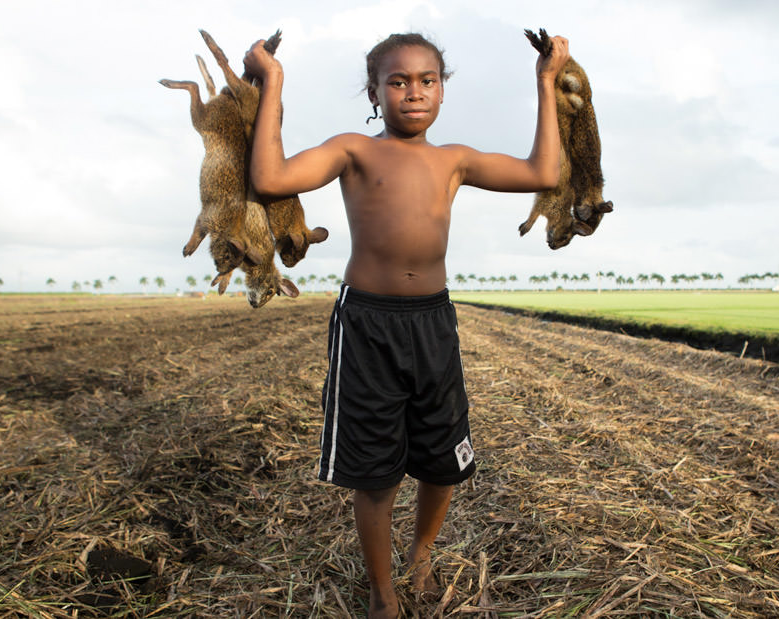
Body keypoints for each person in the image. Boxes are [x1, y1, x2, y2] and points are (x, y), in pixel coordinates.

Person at [244, 31, 569, 618]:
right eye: (397, 81)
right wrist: (273, 81)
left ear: (442, 91)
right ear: (375, 91)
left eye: (427, 80)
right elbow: (269, 179)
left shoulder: (455, 160)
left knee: (443, 461)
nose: (413, 92)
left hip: (433, 322)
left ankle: (421, 552)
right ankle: (381, 588)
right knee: (375, 474)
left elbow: (544, 172)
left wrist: (545, 81)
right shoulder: (354, 151)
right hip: (368, 323)